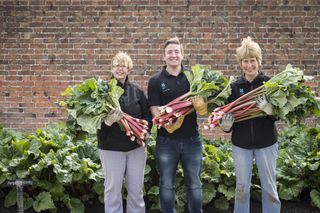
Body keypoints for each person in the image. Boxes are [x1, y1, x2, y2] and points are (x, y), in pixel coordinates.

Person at [219, 37, 281, 213]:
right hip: (241, 145)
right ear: (241, 63)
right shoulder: (233, 87)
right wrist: (225, 126)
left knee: (269, 188)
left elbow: (278, 114)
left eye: (252, 61)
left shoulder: (269, 84)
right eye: (245, 61)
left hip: (267, 143)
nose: (249, 65)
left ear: (258, 61)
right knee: (242, 189)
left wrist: (269, 110)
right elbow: (225, 116)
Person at [147, 37, 206, 213]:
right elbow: (155, 109)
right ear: (163, 57)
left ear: (182, 54)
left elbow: (203, 110)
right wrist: (167, 124)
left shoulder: (193, 77)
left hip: (192, 140)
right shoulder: (155, 80)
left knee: (194, 184)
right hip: (166, 141)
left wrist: (202, 108)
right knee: (166, 184)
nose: (173, 55)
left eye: (176, 51)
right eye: (169, 52)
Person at [97, 52, 152, 213]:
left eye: (123, 66)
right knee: (113, 191)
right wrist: (107, 122)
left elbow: (147, 115)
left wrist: (146, 130)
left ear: (129, 69)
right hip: (110, 148)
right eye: (116, 66)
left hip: (136, 147)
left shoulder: (137, 91)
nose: (119, 69)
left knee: (136, 190)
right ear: (111, 68)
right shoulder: (102, 92)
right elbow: (95, 124)